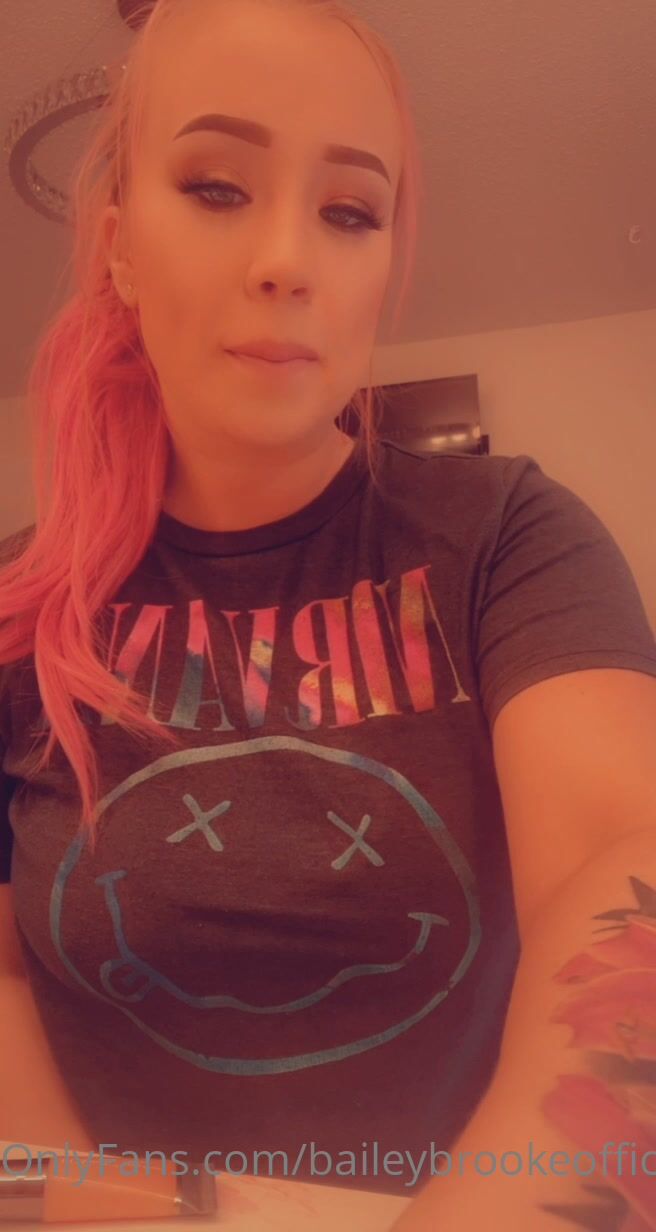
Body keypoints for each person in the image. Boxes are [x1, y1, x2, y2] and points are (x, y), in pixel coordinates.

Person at [1, 0, 656, 1206]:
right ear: (119, 250)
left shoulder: (509, 537)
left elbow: (620, 878)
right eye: (214, 187)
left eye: (349, 211)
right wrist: (93, 1205)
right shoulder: (16, 605)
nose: (286, 260)